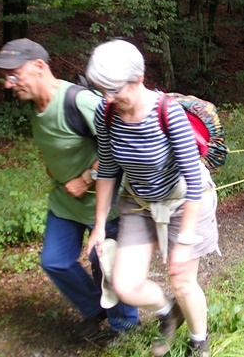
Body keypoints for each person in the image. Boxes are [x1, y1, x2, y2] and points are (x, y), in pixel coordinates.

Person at [0, 39, 139, 341]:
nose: (8, 84)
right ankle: (95, 307)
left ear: (38, 66)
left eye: (13, 74)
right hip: (63, 201)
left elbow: (119, 142)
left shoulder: (79, 100)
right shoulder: (36, 106)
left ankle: (125, 328)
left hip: (102, 200)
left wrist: (87, 176)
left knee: (106, 264)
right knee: (54, 261)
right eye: (4, 77)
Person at [85, 40, 220, 357]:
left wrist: (185, 241)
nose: (107, 97)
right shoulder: (106, 114)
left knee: (181, 277)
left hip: (183, 199)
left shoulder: (168, 113)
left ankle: (200, 342)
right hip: (139, 202)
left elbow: (193, 179)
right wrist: (100, 225)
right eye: (101, 89)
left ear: (138, 79)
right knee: (125, 285)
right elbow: (106, 170)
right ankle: (168, 312)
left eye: (113, 89)